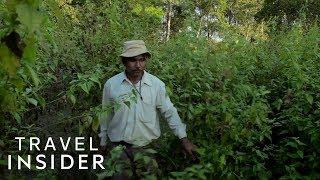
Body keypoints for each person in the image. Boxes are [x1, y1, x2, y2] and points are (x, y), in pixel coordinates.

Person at [99, 40, 197, 178]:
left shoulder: (156, 85)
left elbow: (169, 112)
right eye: (133, 60)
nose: (138, 65)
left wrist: (184, 140)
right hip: (118, 148)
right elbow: (106, 114)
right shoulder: (112, 85)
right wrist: (102, 143)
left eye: (142, 60)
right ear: (124, 62)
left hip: (147, 148)